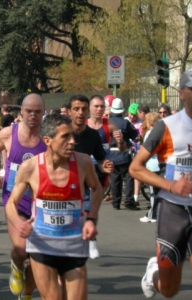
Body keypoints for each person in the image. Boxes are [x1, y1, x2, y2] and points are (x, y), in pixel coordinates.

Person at [5, 113, 103, 300]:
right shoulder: (30, 167)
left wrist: (91, 219)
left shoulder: (83, 162)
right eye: (65, 137)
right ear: (48, 140)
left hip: (74, 244)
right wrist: (19, 224)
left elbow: (97, 189)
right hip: (43, 245)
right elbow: (11, 203)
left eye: (73, 135)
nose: (73, 141)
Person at [129, 68, 192, 299]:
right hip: (174, 211)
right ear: (182, 93)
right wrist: (171, 186)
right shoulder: (167, 126)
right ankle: (152, 273)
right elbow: (136, 168)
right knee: (170, 289)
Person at [0, 93, 46, 299]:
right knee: (22, 250)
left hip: (41, 203)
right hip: (15, 199)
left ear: (43, 113)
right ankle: (16, 265)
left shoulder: (48, 137)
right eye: (29, 111)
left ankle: (27, 294)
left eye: (37, 112)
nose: (33, 115)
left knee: (38, 255)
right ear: (21, 112)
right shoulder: (7, 133)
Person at [69, 94, 117, 259]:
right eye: (76, 109)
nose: (80, 113)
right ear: (69, 112)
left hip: (84, 183)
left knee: (89, 212)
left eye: (83, 109)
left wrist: (106, 166)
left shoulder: (92, 135)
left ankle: (90, 238)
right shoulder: (61, 132)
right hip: (62, 183)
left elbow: (101, 159)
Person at [109, 98, 139, 210]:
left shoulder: (106, 123)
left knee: (115, 179)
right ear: (122, 110)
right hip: (124, 154)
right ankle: (129, 201)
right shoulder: (125, 123)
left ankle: (116, 203)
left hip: (111, 155)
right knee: (128, 178)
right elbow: (135, 136)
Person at [138, 112, 160, 223]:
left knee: (153, 193)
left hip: (152, 166)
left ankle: (152, 215)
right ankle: (157, 213)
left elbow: (146, 150)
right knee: (160, 192)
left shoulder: (149, 134)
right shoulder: (163, 133)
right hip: (161, 165)